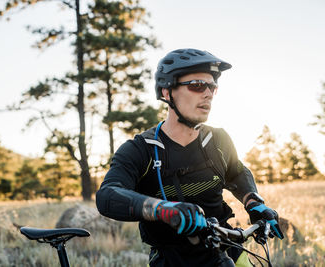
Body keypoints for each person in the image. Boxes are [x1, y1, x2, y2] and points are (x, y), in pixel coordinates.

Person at [95, 48, 283, 266]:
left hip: (226, 249)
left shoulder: (218, 140)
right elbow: (108, 195)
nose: (208, 93)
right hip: (171, 259)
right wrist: (163, 209)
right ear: (167, 92)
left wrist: (254, 203)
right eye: (197, 85)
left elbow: (236, 172)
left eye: (212, 86)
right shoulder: (141, 149)